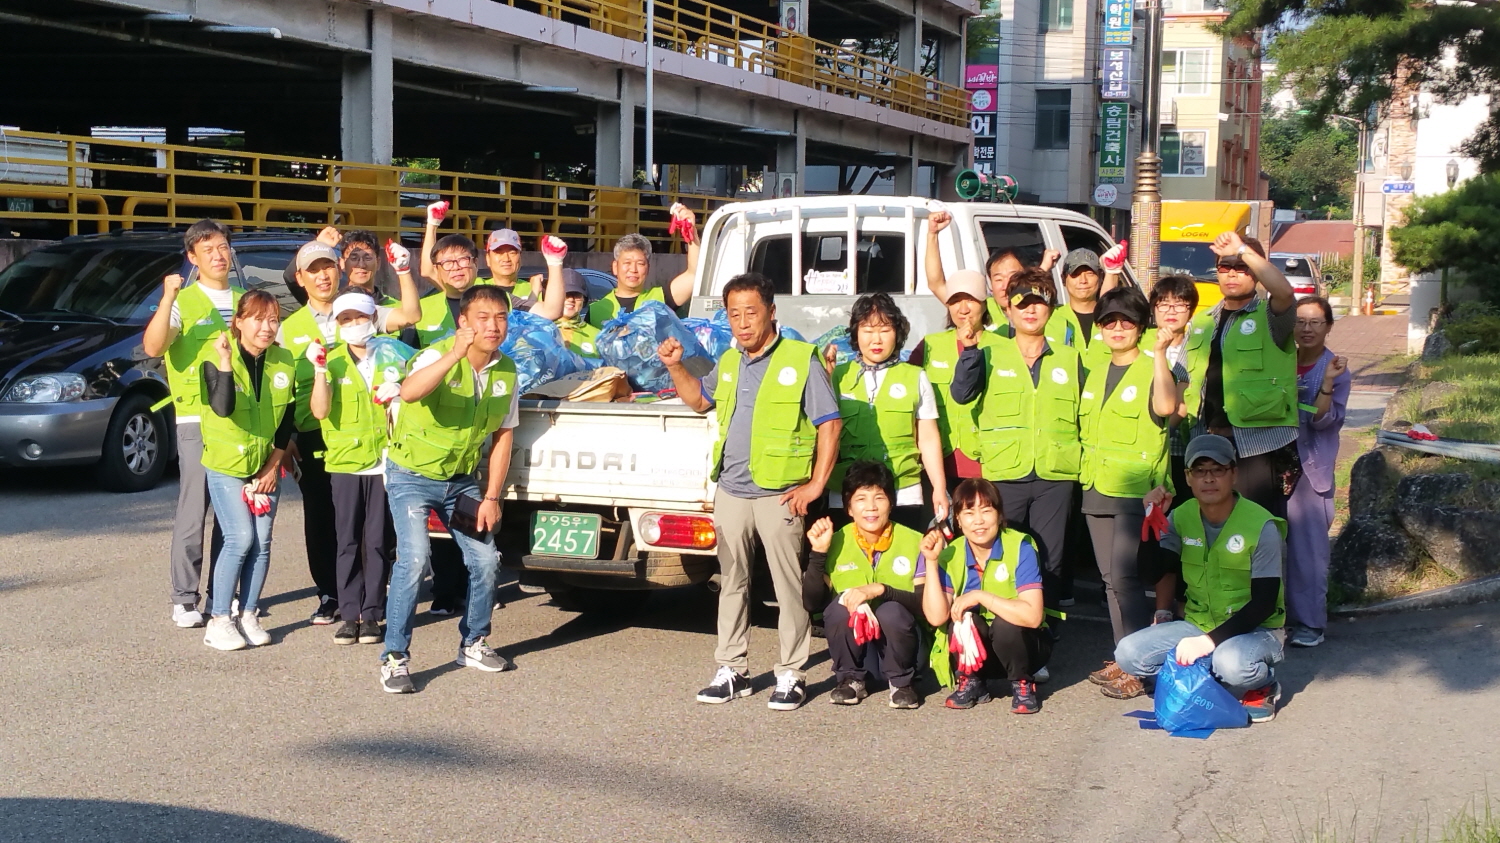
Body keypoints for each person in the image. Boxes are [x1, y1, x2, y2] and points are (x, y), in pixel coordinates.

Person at [658, 272, 842, 712]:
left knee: (787, 585)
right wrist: (675, 366)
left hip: (780, 493)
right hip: (732, 490)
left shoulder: (801, 358)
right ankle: (732, 669)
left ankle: (792, 673)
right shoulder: (729, 361)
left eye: (751, 313)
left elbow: (830, 424)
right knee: (732, 582)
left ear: (771, 312)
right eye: (734, 314)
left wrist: (816, 484)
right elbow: (699, 401)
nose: (742, 323)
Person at [378, 285, 521, 694]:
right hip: (411, 475)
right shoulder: (435, 355)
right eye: (483, 318)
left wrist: (492, 497)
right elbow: (409, 392)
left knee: (486, 560)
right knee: (414, 559)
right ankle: (394, 658)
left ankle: (473, 642)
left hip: (460, 481)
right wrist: (454, 355)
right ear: (463, 322)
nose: (493, 326)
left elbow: (504, 436)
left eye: (501, 317)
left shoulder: (507, 371)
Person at [1107, 434, 1286, 723]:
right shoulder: (1181, 516)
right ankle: (1207, 673)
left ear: (1234, 474)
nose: (1209, 479)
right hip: (1199, 624)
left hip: (1256, 630)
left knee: (1232, 664)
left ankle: (1264, 683)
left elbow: (1263, 603)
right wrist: (1152, 521)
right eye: (1200, 471)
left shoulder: (1261, 525)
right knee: (1128, 653)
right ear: (1188, 478)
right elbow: (1152, 573)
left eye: (1218, 470)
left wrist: (1207, 643)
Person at [950, 269, 1081, 623]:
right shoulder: (989, 352)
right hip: (1004, 473)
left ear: (1052, 308)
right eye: (1023, 303)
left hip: (1056, 474)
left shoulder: (1070, 358)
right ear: (1008, 309)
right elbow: (961, 393)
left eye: (1039, 302)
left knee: (1050, 560)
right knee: (1004, 553)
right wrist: (970, 351)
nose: (1031, 310)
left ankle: (1043, 635)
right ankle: (1002, 629)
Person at [141, 219, 239, 630]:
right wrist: (167, 298)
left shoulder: (245, 301)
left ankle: (223, 594)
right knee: (194, 510)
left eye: (223, 247)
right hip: (197, 419)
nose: (218, 255)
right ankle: (184, 598)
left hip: (240, 421)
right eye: (208, 249)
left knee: (234, 515)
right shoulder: (184, 301)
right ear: (192, 257)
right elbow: (153, 346)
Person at [1077, 288, 1180, 656]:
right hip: (1095, 485)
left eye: (1127, 322)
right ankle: (1124, 655)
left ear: (1141, 327)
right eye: (1109, 322)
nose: (1117, 329)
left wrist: (1160, 354)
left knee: (1125, 577)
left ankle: (1139, 660)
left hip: (1136, 490)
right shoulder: (1095, 370)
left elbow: (1166, 407)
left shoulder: (1153, 366)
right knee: (1110, 579)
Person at [198, 291, 297, 651]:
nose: (266, 327)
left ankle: (249, 613)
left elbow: (286, 420)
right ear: (238, 322)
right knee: (240, 538)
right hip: (226, 465)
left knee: (262, 541)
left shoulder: (284, 360)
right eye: (257, 319)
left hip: (264, 465)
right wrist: (226, 361)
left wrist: (272, 467)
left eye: (273, 319)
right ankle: (219, 619)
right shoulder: (213, 355)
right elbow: (222, 407)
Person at [309, 291, 411, 646]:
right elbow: (320, 411)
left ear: (373, 318)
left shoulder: (394, 353)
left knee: (378, 540)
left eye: (360, 317)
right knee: (347, 540)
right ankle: (349, 614)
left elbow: (421, 381)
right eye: (346, 319)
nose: (354, 324)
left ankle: (372, 613)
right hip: (345, 463)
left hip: (385, 460)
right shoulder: (331, 359)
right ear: (337, 324)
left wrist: (400, 388)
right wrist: (319, 371)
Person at [1186, 231, 1300, 518]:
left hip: (1254, 443)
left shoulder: (1270, 316)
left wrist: (1243, 250)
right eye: (1225, 267)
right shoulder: (1202, 321)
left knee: (1254, 525)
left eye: (1242, 267)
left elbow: (1285, 293)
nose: (1232, 273)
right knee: (1211, 524)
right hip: (1206, 440)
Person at [802, 460, 926, 709]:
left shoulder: (915, 541)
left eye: (879, 497)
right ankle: (850, 680)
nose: (871, 507)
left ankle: (902, 684)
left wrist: (882, 590)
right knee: (839, 607)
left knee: (891, 610)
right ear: (849, 508)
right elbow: (812, 603)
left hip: (906, 647)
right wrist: (818, 553)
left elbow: (925, 606)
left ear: (891, 503)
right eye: (861, 499)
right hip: (862, 651)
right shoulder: (835, 540)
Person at [919, 478, 1050, 713]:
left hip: (1023, 650)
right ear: (958, 520)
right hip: (977, 655)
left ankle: (1022, 683)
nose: (978, 520)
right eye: (969, 513)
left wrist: (981, 596)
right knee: (962, 619)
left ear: (999, 515)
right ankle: (973, 681)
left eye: (986, 510)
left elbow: (1033, 617)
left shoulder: (1021, 546)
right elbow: (936, 617)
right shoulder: (952, 552)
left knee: (1006, 624)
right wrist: (931, 561)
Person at [825, 292, 949, 530]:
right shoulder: (838, 375)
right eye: (868, 331)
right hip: (847, 492)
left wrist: (939, 488)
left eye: (884, 330)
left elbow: (928, 438)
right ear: (856, 333)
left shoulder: (915, 376)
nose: (876, 339)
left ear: (897, 333)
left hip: (903, 492)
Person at [1287, 296, 1349, 648]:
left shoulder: (1336, 367)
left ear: (1328, 327)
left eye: (1315, 322)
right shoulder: (1281, 358)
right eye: (1300, 321)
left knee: (1308, 550)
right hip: (1272, 461)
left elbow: (1323, 420)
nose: (1307, 329)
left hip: (1309, 467)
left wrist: (1326, 382)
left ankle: (1310, 623)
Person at [412, 204, 565, 345]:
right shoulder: (422, 308)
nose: (456, 267)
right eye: (448, 262)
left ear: (476, 263)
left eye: (463, 260)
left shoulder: (497, 297)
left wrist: (555, 262)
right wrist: (432, 224)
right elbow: (427, 270)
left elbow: (551, 311)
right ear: (438, 268)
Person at [907, 269, 997, 489]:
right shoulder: (930, 345)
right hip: (936, 462)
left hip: (987, 462)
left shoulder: (1004, 347)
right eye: (955, 301)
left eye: (971, 300)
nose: (963, 309)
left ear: (985, 304)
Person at [922, 206, 1059, 335]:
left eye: (1012, 276)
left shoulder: (1038, 311)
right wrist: (932, 234)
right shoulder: (982, 308)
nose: (1005, 285)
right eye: (998, 279)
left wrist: (1043, 269)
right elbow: (936, 284)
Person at [277, 226, 423, 336]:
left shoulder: (374, 309)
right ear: (342, 264)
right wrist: (318, 246)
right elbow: (292, 277)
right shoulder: (293, 325)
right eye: (354, 258)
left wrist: (403, 270)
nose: (361, 264)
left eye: (367, 257)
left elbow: (410, 316)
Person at [586, 206, 700, 327]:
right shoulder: (595, 311)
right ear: (615, 267)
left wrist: (691, 232)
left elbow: (693, 274)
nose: (633, 269)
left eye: (640, 263)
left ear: (648, 268)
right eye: (627, 263)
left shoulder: (660, 299)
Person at [1146, 275, 1202, 498]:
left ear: (1191, 310)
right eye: (1164, 304)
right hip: (1143, 449)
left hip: (1180, 449)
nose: (1171, 311)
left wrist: (1159, 435)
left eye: (1179, 304)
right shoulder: (1141, 341)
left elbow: (1183, 404)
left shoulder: (1197, 347)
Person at [1047, 248, 1123, 370]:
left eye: (1090, 273)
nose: (1083, 281)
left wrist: (1112, 273)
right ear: (1064, 279)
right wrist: (1044, 268)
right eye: (1075, 274)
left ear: (1100, 277)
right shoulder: (1049, 317)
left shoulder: (1115, 321)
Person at [548, 269, 602, 361]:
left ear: (584, 300)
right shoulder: (541, 330)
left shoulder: (598, 336)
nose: (571, 299)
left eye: (577, 295)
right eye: (566, 294)